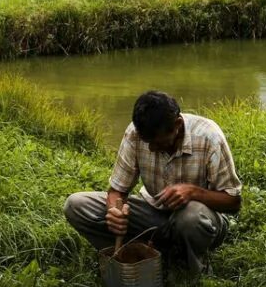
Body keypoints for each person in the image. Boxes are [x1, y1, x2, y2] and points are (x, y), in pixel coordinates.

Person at [64, 90, 242, 274]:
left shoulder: (209, 137)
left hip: (201, 221)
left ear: (177, 125)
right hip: (154, 213)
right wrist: (113, 212)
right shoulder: (135, 133)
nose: (151, 148)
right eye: (147, 142)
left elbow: (233, 202)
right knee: (76, 205)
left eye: (158, 143)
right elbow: (117, 191)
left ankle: (193, 269)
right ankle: (139, 253)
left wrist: (193, 193)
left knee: (190, 218)